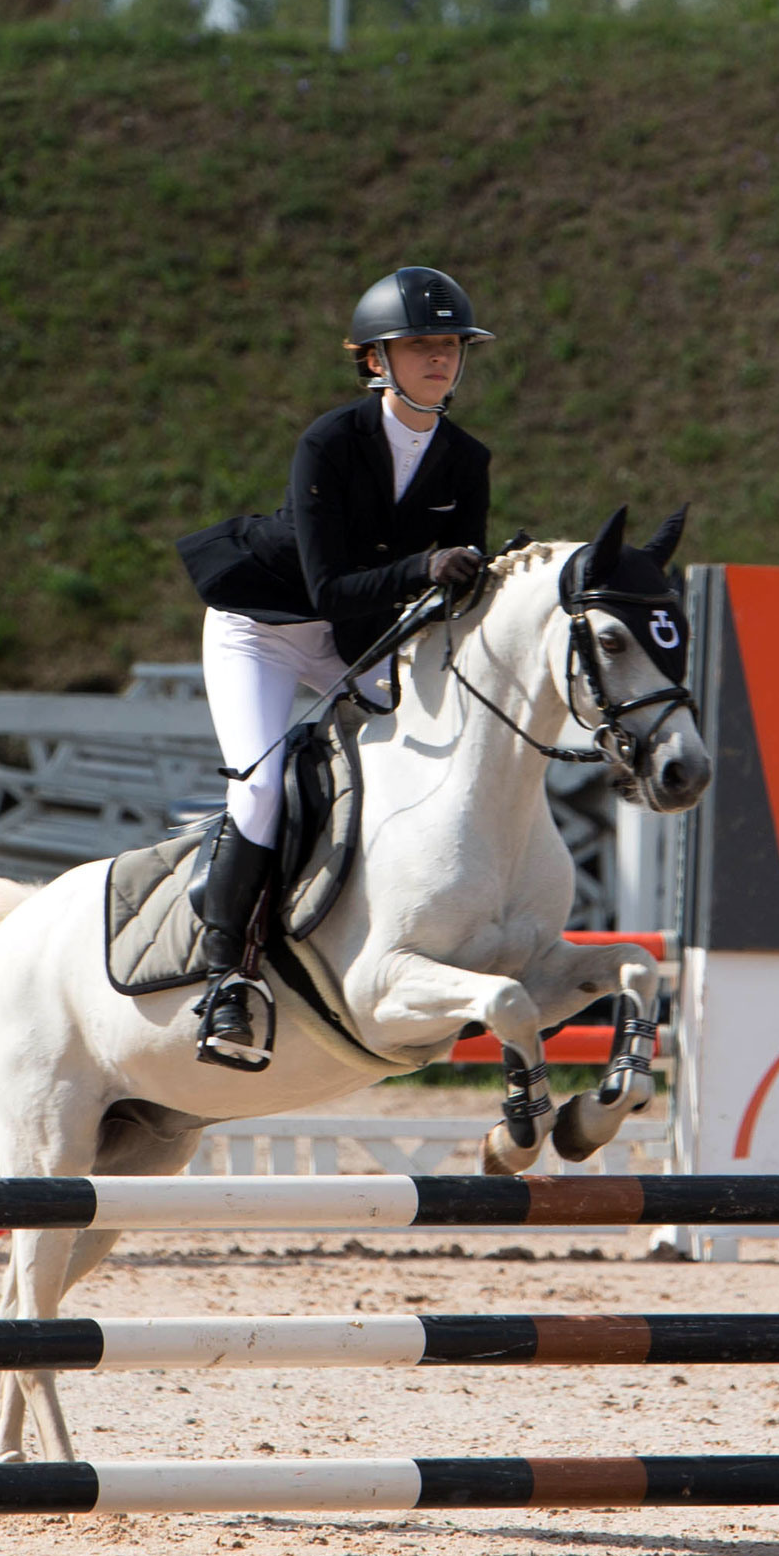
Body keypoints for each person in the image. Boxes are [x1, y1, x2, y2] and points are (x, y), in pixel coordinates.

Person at [173, 267, 495, 1067]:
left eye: (450, 345)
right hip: (264, 627)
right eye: (420, 345)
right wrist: (427, 567)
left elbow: (451, 593)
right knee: (258, 781)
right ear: (376, 360)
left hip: (354, 637)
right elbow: (329, 587)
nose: (439, 358)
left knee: (436, 749)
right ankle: (225, 978)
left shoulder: (466, 459)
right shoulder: (329, 441)